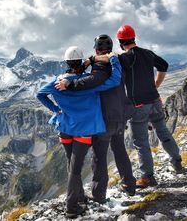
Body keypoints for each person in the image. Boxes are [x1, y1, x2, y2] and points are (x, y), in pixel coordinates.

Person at [36, 46, 121, 218]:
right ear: (82, 62)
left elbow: (39, 94)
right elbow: (115, 80)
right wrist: (114, 59)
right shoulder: (89, 82)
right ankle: (71, 208)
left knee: (71, 165)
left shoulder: (56, 82)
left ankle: (80, 198)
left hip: (65, 128)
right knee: (75, 169)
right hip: (84, 130)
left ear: (66, 62)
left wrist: (55, 108)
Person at [55, 35, 136, 204]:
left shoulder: (101, 65)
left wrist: (69, 84)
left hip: (106, 119)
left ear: (96, 49)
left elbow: (94, 80)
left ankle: (99, 196)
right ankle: (129, 185)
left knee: (99, 158)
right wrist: (91, 60)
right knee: (120, 151)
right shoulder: (118, 62)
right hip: (120, 115)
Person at [116, 24, 183, 188]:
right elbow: (164, 66)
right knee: (163, 132)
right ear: (133, 38)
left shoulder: (125, 58)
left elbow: (112, 61)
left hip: (138, 106)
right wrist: (156, 85)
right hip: (155, 101)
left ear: (120, 41)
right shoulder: (147, 53)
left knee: (141, 142)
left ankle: (147, 176)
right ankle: (177, 161)